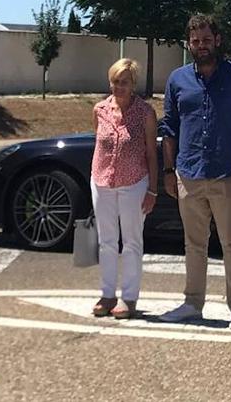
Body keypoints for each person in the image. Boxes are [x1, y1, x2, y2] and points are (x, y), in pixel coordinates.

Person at [158, 14, 231, 329]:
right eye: (195, 41)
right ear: (189, 44)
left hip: (227, 175)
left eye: (206, 39)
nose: (201, 46)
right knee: (194, 243)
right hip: (188, 174)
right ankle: (192, 304)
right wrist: (169, 170)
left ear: (218, 40)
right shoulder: (177, 80)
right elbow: (169, 127)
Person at [90, 58, 158, 319]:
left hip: (134, 183)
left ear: (133, 85)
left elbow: (151, 153)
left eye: (124, 82)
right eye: (115, 82)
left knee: (131, 242)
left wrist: (152, 190)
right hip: (102, 181)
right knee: (106, 241)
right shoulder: (100, 110)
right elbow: (98, 144)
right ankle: (107, 295)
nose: (119, 87)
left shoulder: (145, 113)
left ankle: (129, 298)